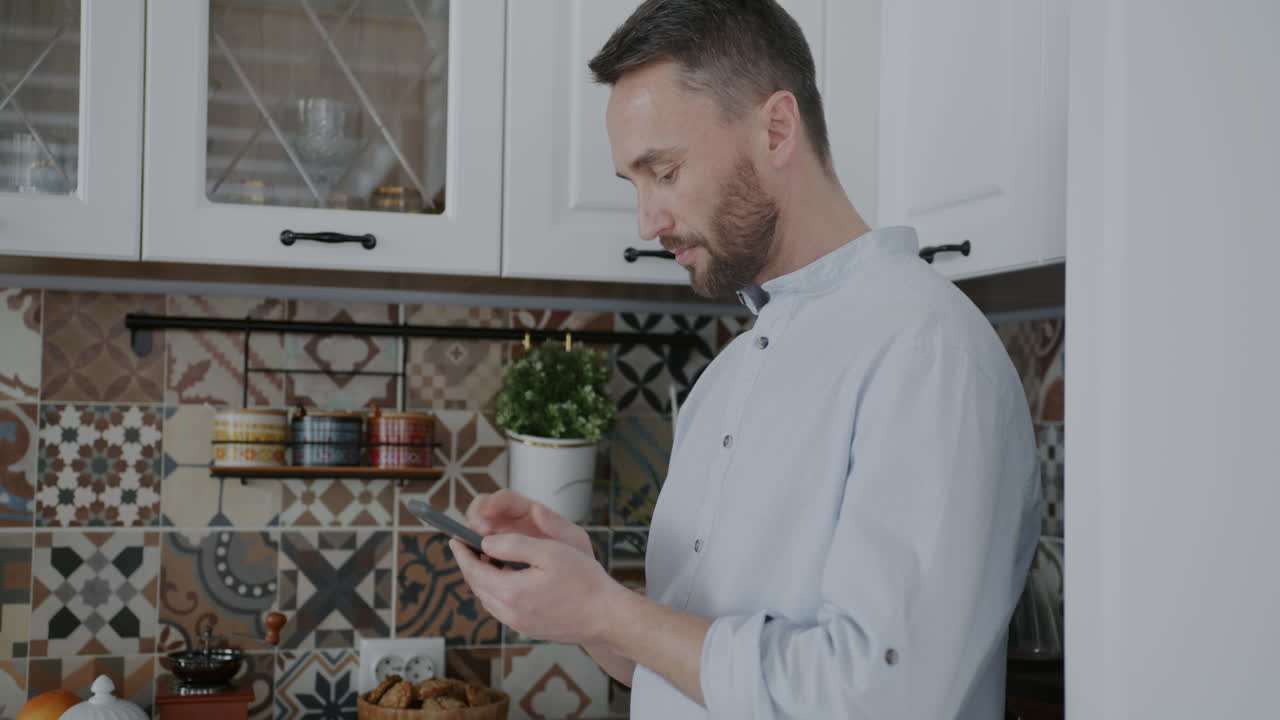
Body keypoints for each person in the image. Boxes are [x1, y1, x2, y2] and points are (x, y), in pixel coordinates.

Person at [450, 1, 1042, 717]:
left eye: (663, 171)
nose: (647, 221)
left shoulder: (926, 353)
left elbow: (880, 696)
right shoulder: (725, 379)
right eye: (633, 184)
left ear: (776, 129)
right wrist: (582, 599)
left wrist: (612, 613)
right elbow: (683, 675)